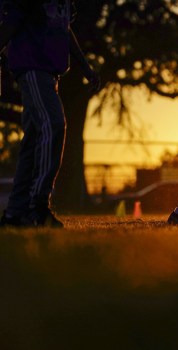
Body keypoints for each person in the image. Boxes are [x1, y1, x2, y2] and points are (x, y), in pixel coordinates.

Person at [0, 0, 100, 227]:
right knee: (53, 125)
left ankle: (15, 213)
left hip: (48, 73)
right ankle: (37, 205)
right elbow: (11, 22)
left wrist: (84, 66)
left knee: (33, 141)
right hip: (32, 67)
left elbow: (63, 29)